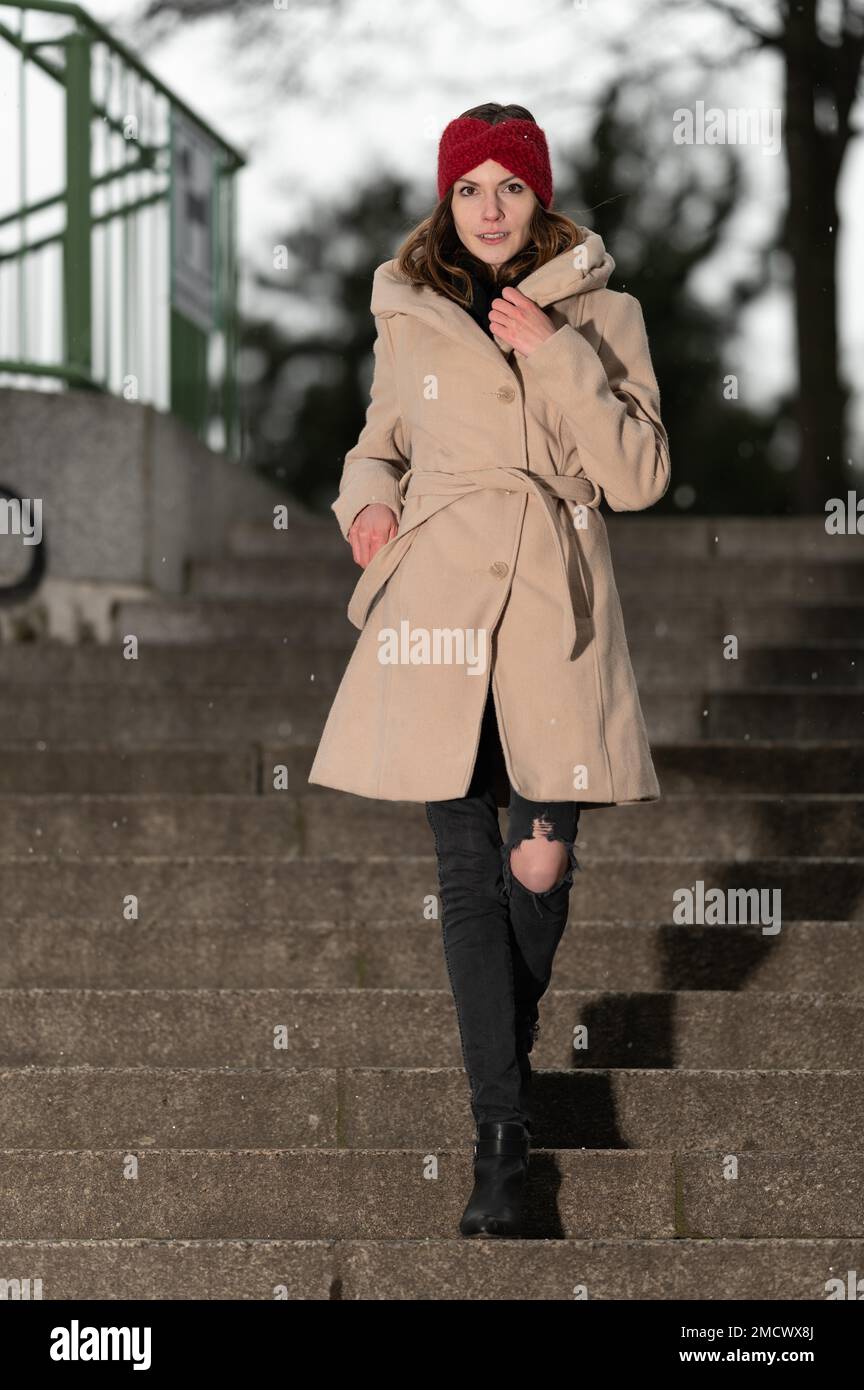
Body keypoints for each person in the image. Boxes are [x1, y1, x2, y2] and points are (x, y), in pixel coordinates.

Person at [308, 101, 671, 1237]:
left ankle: (501, 1111)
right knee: (467, 873)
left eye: (509, 186)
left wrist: (555, 353)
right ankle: (502, 1145)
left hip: (551, 601)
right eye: (468, 188)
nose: (489, 208)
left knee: (541, 855)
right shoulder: (409, 313)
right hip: (439, 600)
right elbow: (379, 442)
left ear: (541, 197)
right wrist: (367, 507)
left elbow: (641, 471)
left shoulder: (603, 310)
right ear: (446, 200)